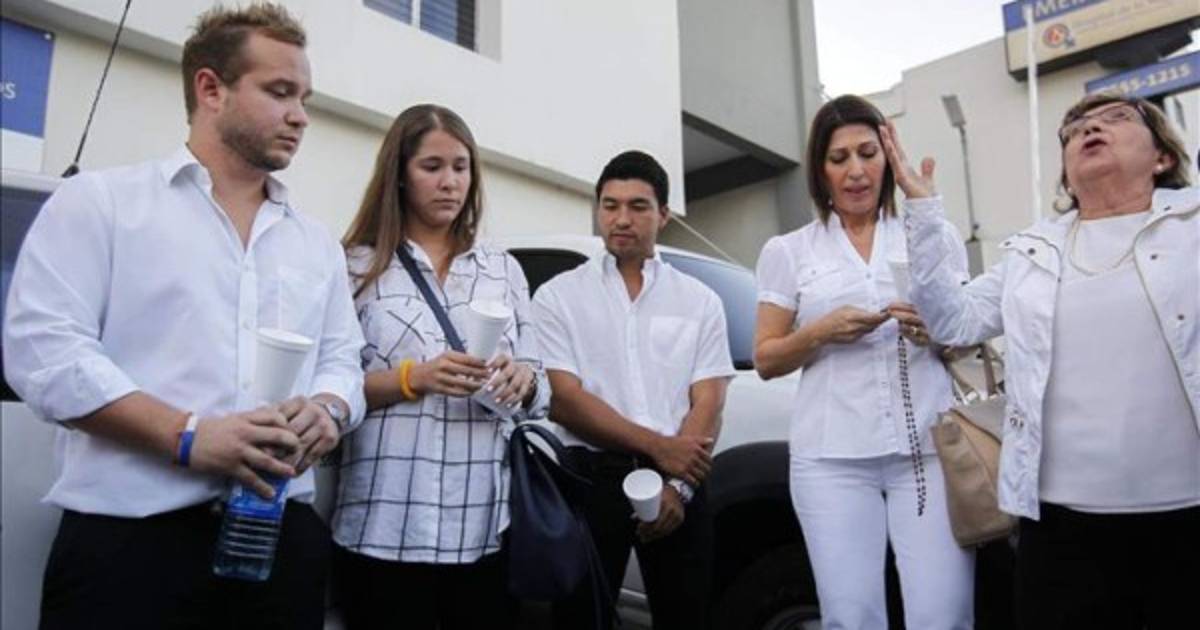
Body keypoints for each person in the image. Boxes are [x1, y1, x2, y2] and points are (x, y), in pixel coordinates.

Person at [2, 4, 365, 629]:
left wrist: (329, 410)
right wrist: (188, 435)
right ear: (210, 89)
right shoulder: (102, 204)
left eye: (303, 98)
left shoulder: (315, 243)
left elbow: (341, 358)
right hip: (130, 550)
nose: (300, 116)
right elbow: (46, 353)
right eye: (280, 92)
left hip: (280, 543)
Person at [884, 92, 1198, 629]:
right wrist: (924, 212)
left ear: (1162, 157)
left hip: (1187, 519)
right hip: (1060, 527)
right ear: (1067, 174)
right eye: (1074, 129)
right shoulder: (1032, 250)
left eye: (1116, 118)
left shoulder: (1193, 226)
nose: (1090, 129)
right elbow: (952, 322)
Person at [753, 95, 974, 629]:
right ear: (820, 171)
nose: (855, 170)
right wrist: (820, 332)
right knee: (851, 617)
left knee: (942, 615)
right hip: (831, 460)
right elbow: (766, 358)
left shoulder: (934, 233)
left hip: (926, 452)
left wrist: (935, 332)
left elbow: (965, 338)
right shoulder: (789, 251)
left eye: (867, 153)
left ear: (889, 159)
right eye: (839, 158)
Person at [332, 104, 549, 630]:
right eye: (432, 167)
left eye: (460, 166)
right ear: (400, 175)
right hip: (382, 524)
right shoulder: (355, 265)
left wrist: (523, 381)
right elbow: (330, 388)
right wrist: (414, 378)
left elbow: (541, 386)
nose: (450, 182)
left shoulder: (502, 269)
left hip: (482, 532)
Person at [533, 150, 735, 630]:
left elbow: (709, 398)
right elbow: (565, 399)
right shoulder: (558, 296)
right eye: (610, 205)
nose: (621, 219)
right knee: (582, 619)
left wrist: (680, 486)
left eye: (638, 206)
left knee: (686, 616)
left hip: (677, 483)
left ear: (663, 214)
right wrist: (661, 447)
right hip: (589, 479)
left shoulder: (700, 300)